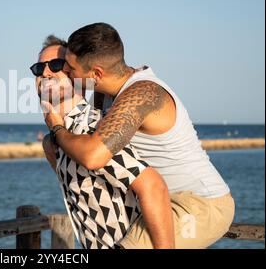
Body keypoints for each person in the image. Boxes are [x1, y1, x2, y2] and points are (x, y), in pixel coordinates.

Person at [43, 23, 235, 248]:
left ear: (96, 73)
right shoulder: (103, 95)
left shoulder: (143, 93)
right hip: (157, 204)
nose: (66, 71)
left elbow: (93, 156)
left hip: (200, 204)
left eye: (70, 68)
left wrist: (57, 129)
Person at [33, 35, 174, 249]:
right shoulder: (53, 143)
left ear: (74, 72)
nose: (45, 72)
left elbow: (154, 187)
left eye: (55, 65)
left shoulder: (95, 129)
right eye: (38, 68)